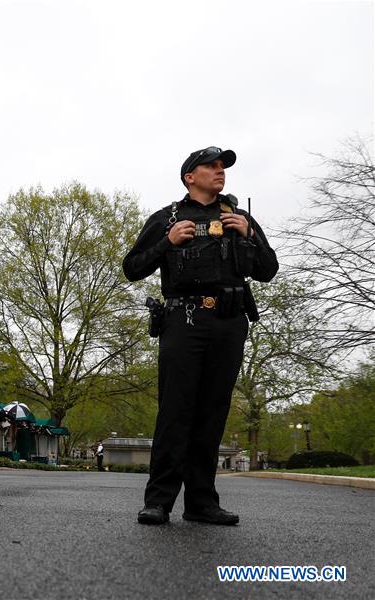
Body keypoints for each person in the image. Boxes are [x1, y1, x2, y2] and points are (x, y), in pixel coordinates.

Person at [123, 147, 278, 526]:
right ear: (189, 176)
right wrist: (167, 242)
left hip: (229, 320)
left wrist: (250, 235)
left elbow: (268, 270)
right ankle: (158, 501)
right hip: (184, 320)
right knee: (176, 411)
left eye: (222, 166)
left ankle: (202, 503)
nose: (219, 171)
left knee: (213, 412)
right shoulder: (168, 218)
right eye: (211, 166)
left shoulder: (239, 218)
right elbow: (132, 268)